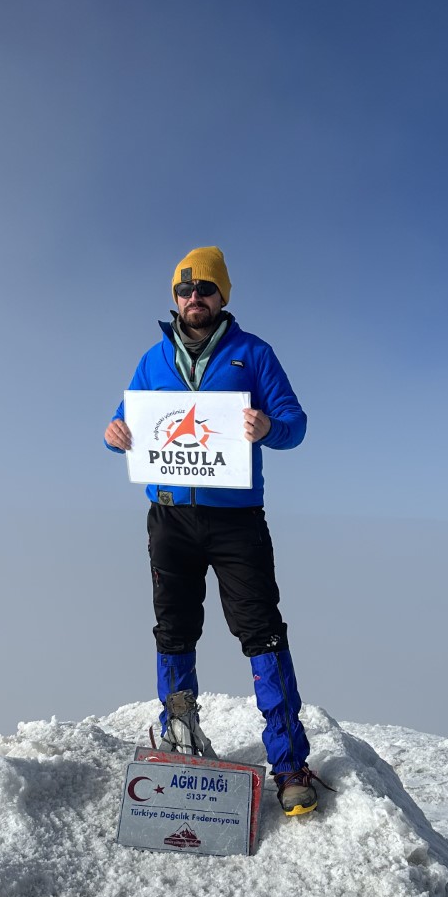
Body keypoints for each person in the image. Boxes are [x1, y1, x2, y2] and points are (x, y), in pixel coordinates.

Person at [104, 245, 322, 816]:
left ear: (223, 295)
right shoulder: (154, 359)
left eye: (204, 289)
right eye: (183, 290)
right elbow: (124, 419)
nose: (193, 299)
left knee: (262, 632)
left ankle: (290, 763)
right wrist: (116, 433)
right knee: (174, 629)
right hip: (170, 515)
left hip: (236, 520)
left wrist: (269, 426)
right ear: (174, 299)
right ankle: (179, 738)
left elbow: (295, 425)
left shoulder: (253, 354)